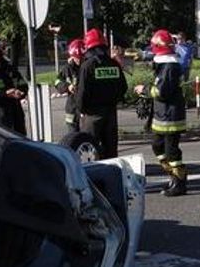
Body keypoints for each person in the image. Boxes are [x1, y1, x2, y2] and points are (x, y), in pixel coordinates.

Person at [134, 29, 188, 197]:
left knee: (172, 152)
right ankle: (172, 175)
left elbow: (162, 92)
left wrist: (145, 90)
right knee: (157, 146)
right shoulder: (165, 64)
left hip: (170, 117)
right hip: (162, 115)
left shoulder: (170, 66)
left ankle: (179, 181)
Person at [76, 28, 128, 159]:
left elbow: (82, 91)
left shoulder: (87, 66)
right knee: (110, 149)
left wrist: (81, 110)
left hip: (92, 114)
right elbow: (123, 87)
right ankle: (110, 175)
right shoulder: (114, 64)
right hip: (110, 113)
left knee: (89, 150)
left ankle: (91, 177)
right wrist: (114, 100)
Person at [54, 38, 85, 133]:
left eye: (81, 57)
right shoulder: (67, 68)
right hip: (72, 107)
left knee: (88, 134)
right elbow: (57, 82)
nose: (79, 60)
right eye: (77, 57)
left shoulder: (89, 67)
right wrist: (67, 87)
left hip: (86, 106)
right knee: (72, 134)